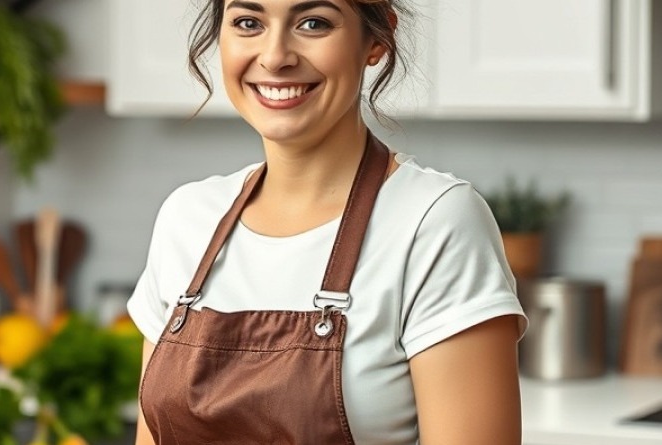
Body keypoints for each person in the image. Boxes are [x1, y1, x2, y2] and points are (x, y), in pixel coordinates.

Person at [127, 1, 528, 444]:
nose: (275, 56)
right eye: (248, 23)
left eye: (313, 23)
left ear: (376, 40)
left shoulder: (433, 222)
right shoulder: (187, 218)